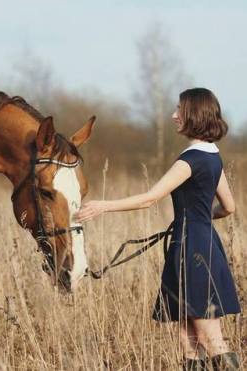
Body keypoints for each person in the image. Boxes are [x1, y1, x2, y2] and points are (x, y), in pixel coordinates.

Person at [73, 88, 241, 371]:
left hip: (191, 249)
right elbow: (229, 207)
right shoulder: (213, 156)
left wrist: (103, 206)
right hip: (203, 242)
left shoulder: (190, 159)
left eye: (180, 110)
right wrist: (196, 217)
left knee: (210, 338)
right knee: (187, 336)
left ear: (195, 114)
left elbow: (150, 198)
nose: (174, 115)